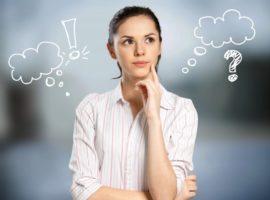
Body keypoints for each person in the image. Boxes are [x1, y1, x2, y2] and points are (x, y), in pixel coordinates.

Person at [69, 6, 198, 200]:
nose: (140, 51)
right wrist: (153, 196)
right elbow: (83, 191)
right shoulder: (91, 109)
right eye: (128, 42)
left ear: (160, 46)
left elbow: (163, 196)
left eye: (149, 40)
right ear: (111, 50)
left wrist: (153, 118)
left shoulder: (182, 110)